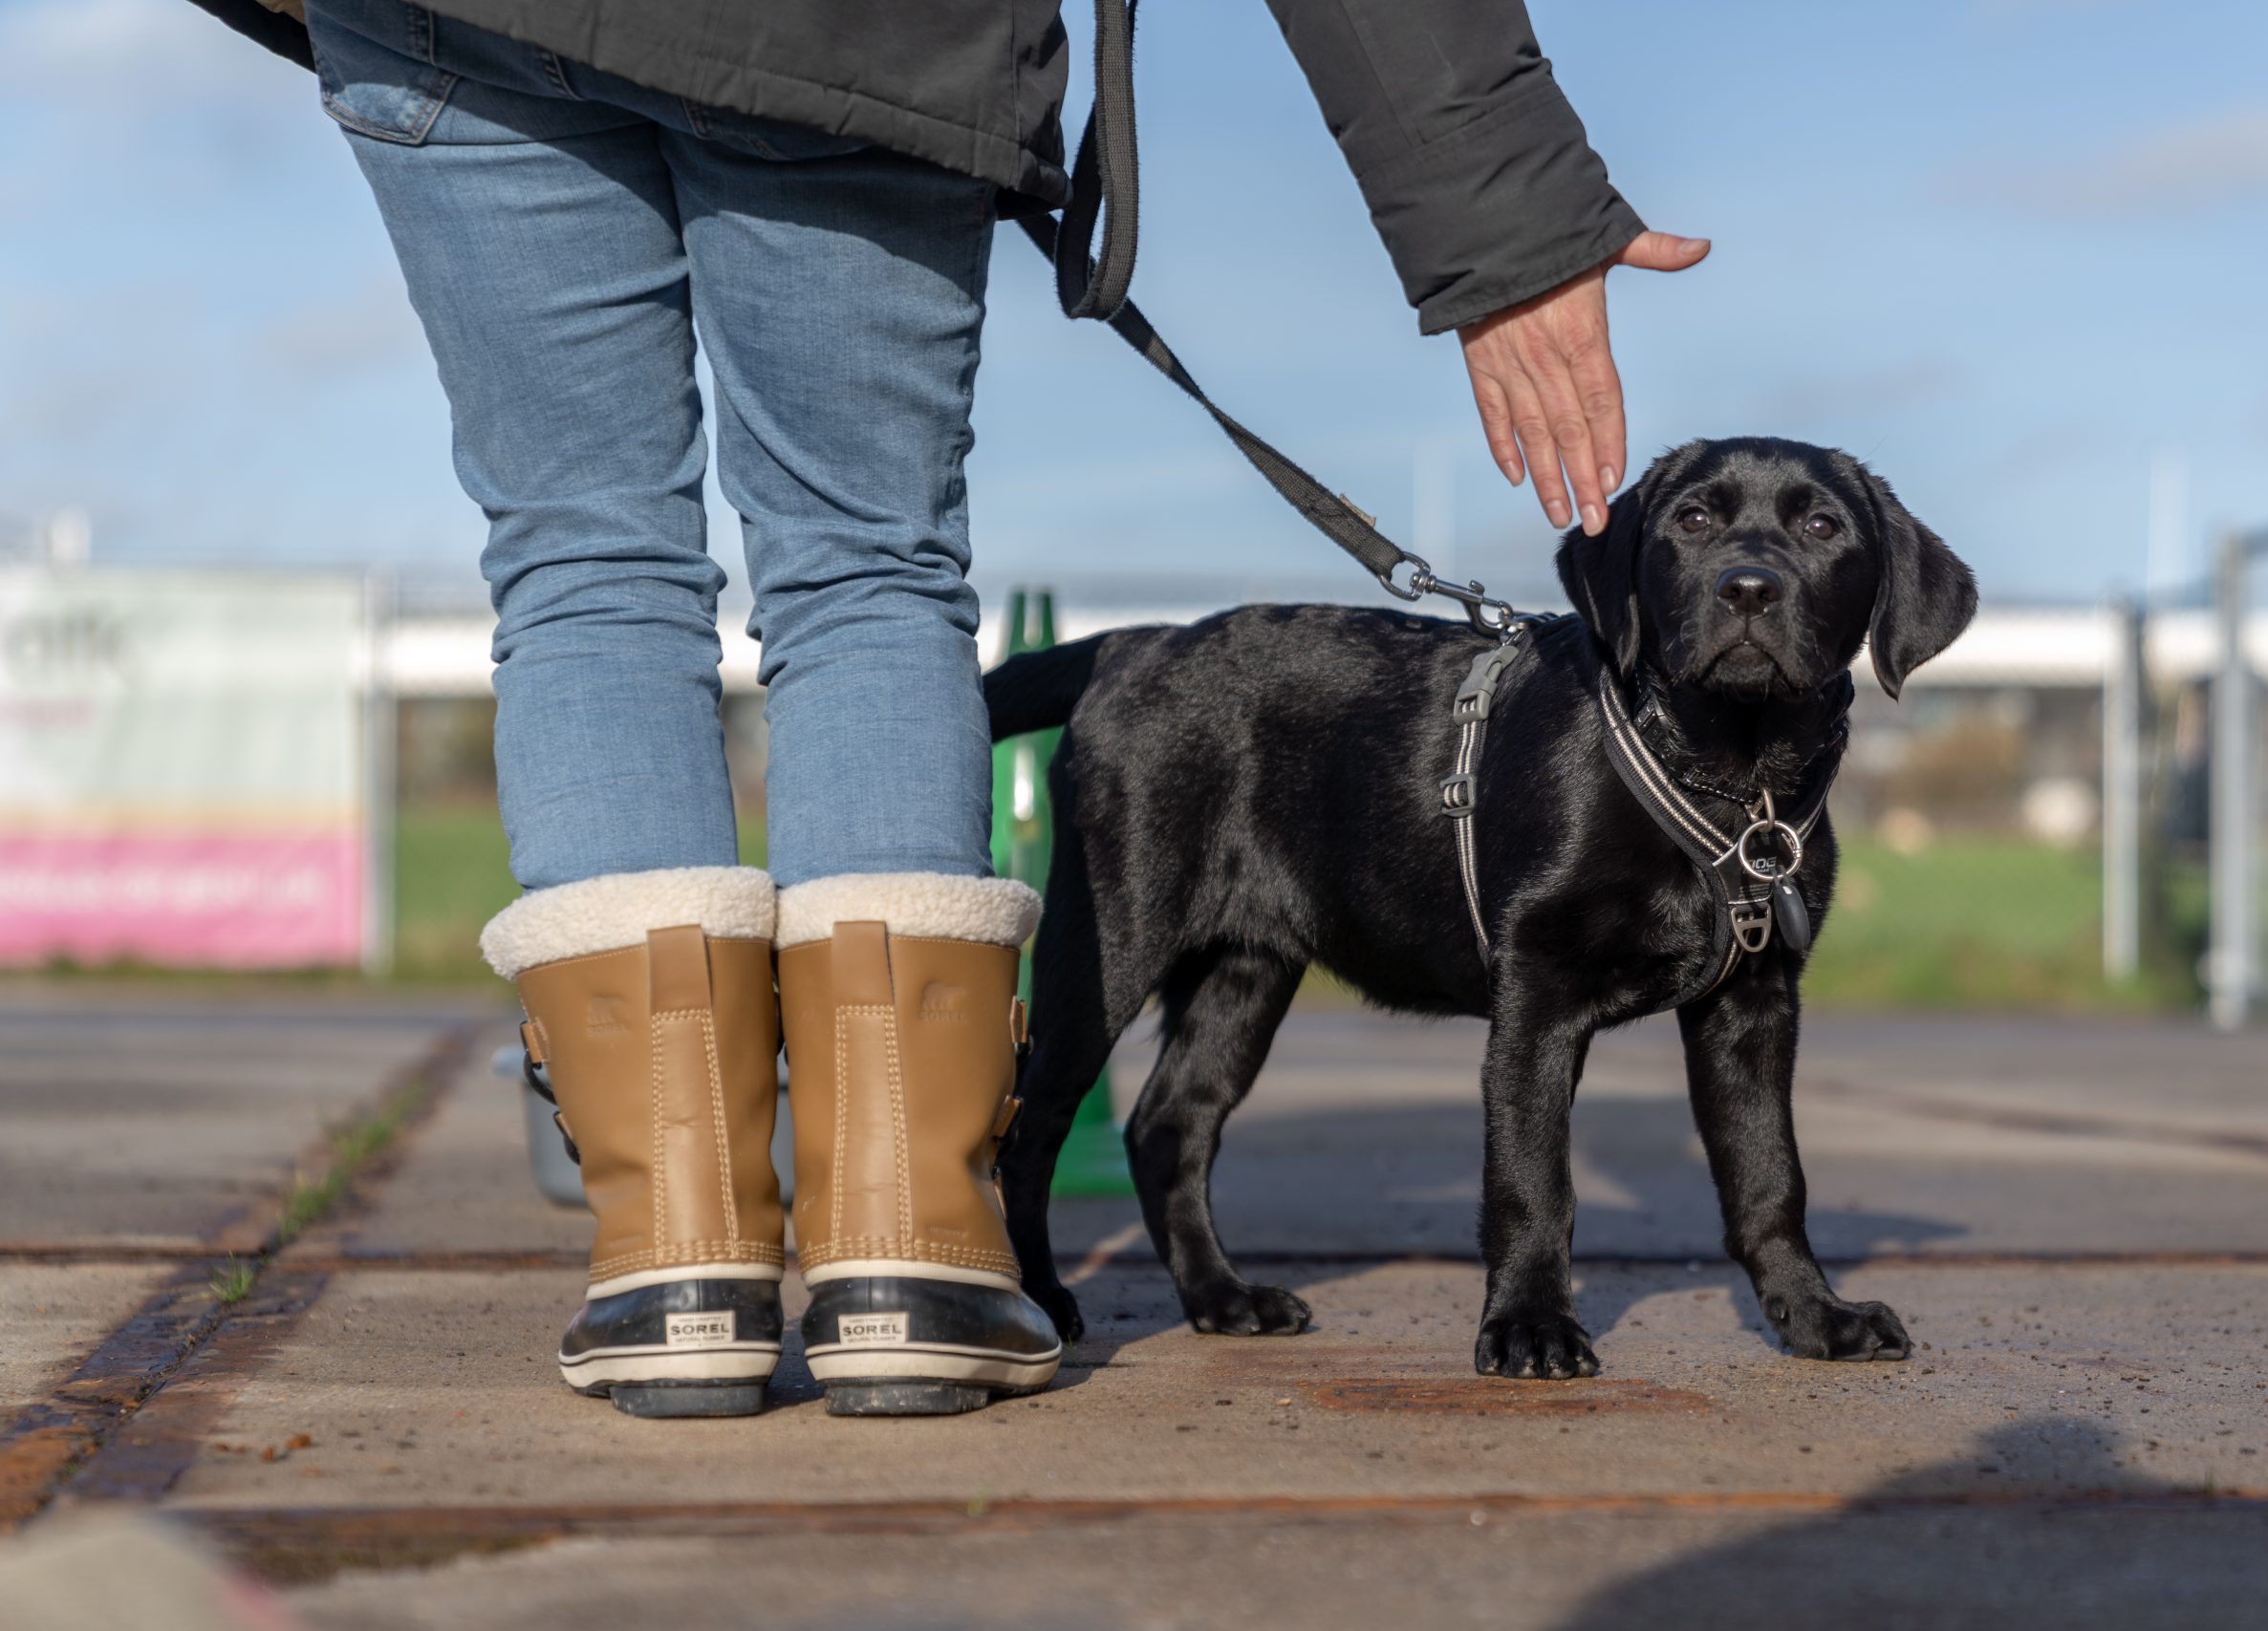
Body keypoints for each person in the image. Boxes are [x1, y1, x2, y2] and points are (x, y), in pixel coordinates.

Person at [191, 0, 1708, 1418]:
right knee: (864, 568)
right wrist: (1503, 218)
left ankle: (676, 1270)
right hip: (858, 37)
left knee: (584, 566)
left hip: (461, 23)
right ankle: (907, 1253)